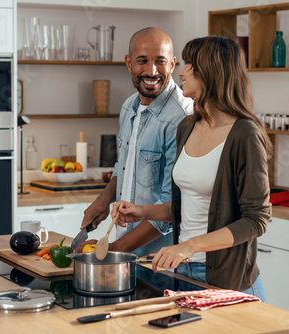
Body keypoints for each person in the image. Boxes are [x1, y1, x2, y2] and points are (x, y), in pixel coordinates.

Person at [111, 36, 272, 300]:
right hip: (180, 275)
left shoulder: (245, 134)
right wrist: (142, 211)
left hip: (226, 282)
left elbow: (256, 219)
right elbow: (184, 205)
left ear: (212, 72)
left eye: (190, 65)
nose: (182, 71)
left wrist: (191, 245)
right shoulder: (187, 127)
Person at [77, 27, 193, 256]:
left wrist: (114, 250)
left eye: (160, 61)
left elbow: (173, 208)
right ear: (129, 63)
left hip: (159, 261)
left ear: (172, 64)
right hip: (127, 249)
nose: (151, 71)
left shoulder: (182, 118)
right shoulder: (129, 106)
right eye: (142, 61)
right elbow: (125, 166)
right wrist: (105, 198)